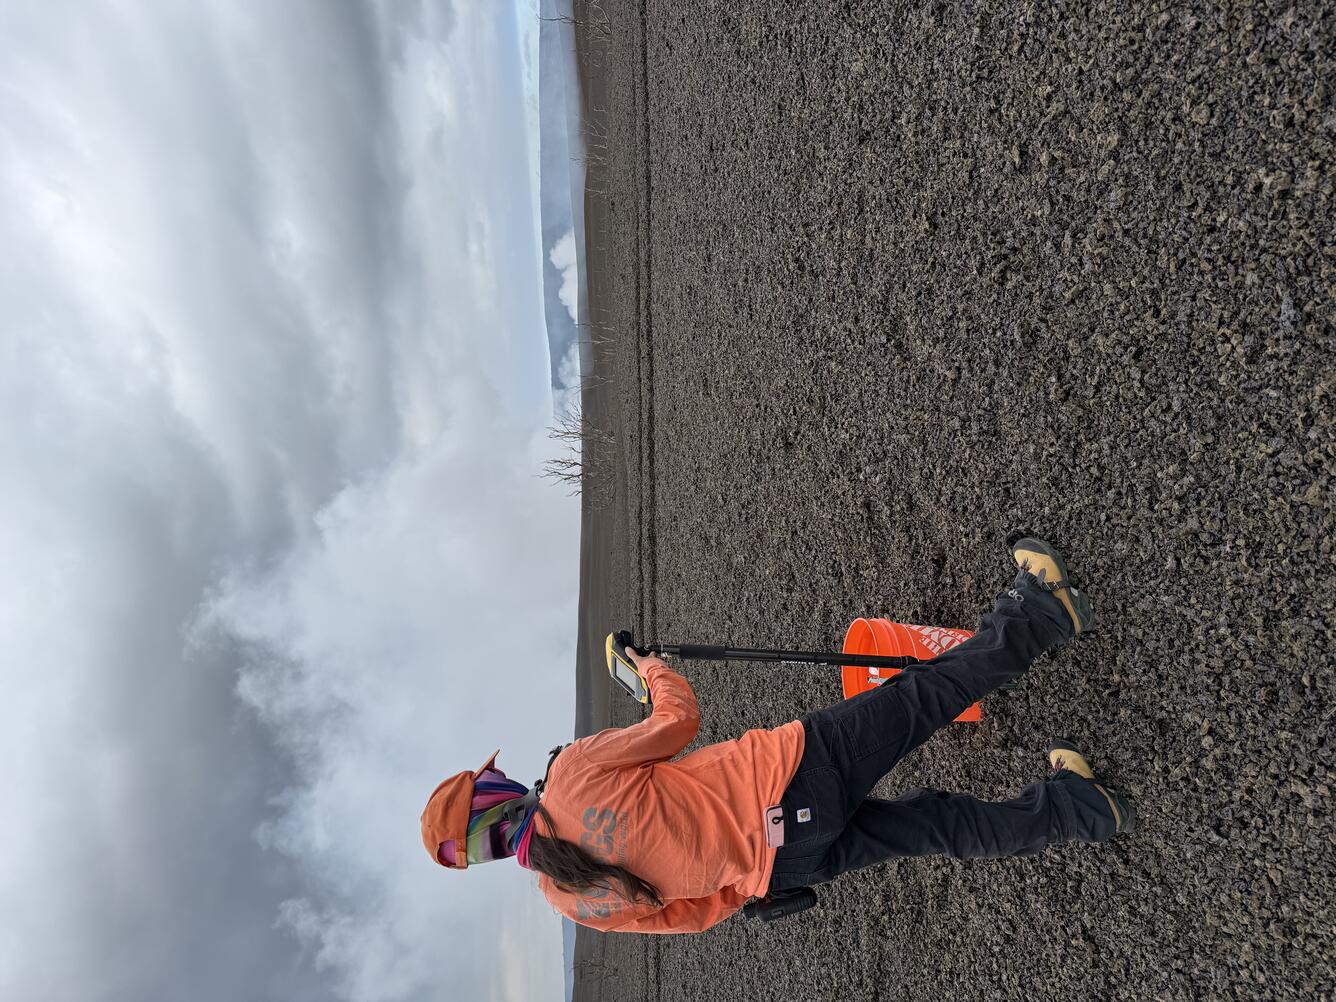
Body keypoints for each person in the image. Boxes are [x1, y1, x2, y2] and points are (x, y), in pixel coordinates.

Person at [420, 538, 1136, 933]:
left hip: (783, 869)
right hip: (791, 774)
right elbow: (678, 722)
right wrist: (653, 672)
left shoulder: (571, 903)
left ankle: (1081, 809)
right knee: (924, 695)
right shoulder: (572, 775)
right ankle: (1043, 611)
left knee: (935, 826)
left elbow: (694, 916)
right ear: (494, 795)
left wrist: (751, 881)